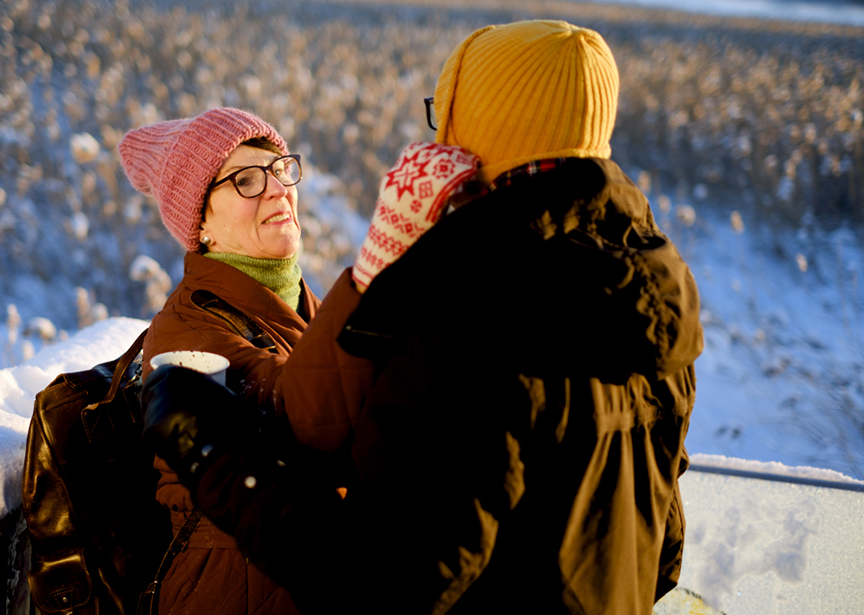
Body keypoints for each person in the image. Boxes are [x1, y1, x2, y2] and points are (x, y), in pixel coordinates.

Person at [143, 19, 703, 615]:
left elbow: (384, 584)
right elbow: (662, 548)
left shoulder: (470, 308)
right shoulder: (656, 288)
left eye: (449, 112)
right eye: (246, 180)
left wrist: (213, 456)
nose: (278, 189)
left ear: (482, 126)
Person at [117, 108, 477, 615]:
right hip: (232, 590)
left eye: (280, 169)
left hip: (293, 570)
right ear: (201, 226)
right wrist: (380, 263)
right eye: (244, 180)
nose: (276, 189)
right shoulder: (188, 330)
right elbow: (298, 422)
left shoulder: (295, 300)